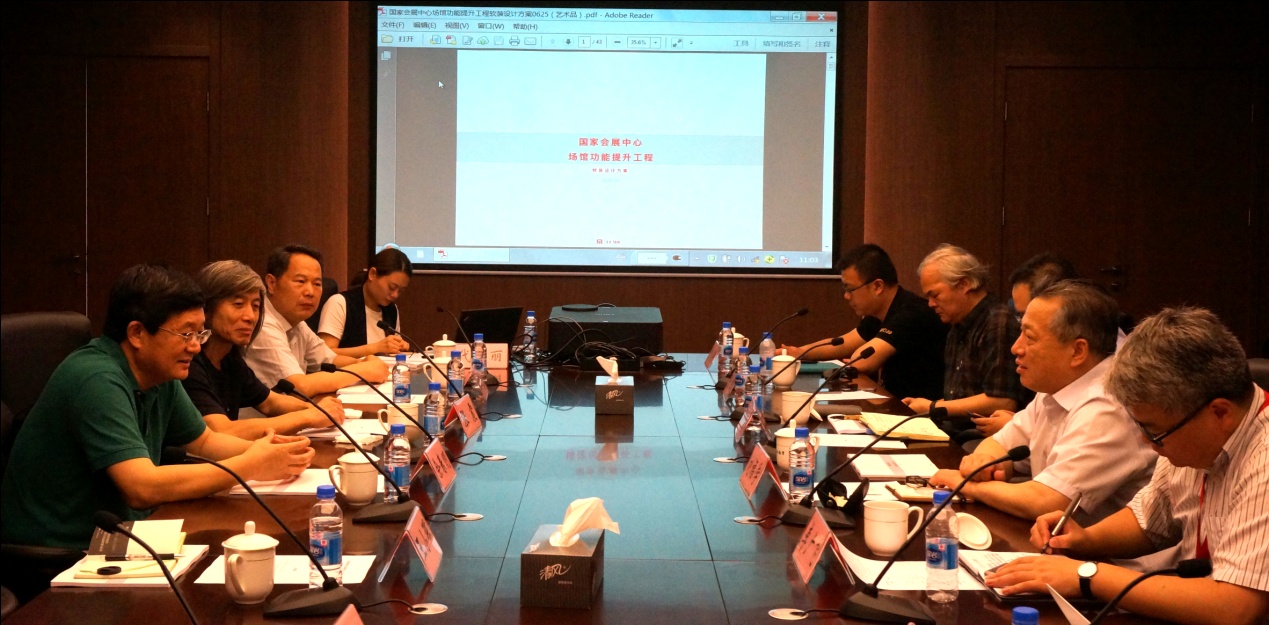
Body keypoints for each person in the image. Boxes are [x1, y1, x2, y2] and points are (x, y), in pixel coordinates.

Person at [986, 307, 1269, 625]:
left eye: (1154, 431)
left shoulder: (1263, 458)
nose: (1149, 443)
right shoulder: (1193, 429)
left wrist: (1086, 574)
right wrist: (1085, 539)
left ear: (1220, 412)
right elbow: (1151, 519)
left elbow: (1235, 607)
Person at [0, 265, 315, 550]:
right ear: (137, 333)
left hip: (125, 533)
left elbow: (204, 441)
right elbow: (142, 487)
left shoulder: (159, 371)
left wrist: (272, 451)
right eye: (186, 334)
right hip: (62, 551)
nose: (196, 346)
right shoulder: (96, 378)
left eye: (200, 333)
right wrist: (249, 464)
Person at [928, 280, 1155, 524]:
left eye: (1029, 337)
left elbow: (1049, 501)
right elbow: (1000, 443)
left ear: (1078, 351)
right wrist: (985, 463)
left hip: (1103, 548)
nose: (1016, 348)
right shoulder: (1056, 386)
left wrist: (967, 485)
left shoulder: (1108, 407)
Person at [183, 260, 346, 438]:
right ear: (207, 308)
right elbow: (222, 430)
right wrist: (308, 417)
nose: (250, 316)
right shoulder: (189, 361)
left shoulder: (230, 357)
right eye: (238, 304)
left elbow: (270, 402)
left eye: (255, 306)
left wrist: (315, 408)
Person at [781, 244, 946, 400]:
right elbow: (843, 344)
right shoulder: (877, 314)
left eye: (850, 289)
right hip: (896, 402)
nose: (846, 296)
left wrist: (855, 363)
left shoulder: (912, 313)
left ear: (877, 286)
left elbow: (862, 361)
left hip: (919, 410)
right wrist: (799, 352)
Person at [902, 244, 1032, 434]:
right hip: (954, 430)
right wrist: (928, 407)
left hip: (980, 436)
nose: (930, 304)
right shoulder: (957, 325)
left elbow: (1002, 401)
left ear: (964, 284)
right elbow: (959, 398)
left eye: (935, 295)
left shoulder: (998, 321)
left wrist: (933, 407)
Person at [244, 244, 389, 396]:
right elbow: (299, 386)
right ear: (272, 283)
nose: (310, 292)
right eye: (300, 281)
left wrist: (362, 363)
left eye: (317, 284)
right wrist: (362, 371)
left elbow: (329, 360)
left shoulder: (297, 323)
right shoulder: (261, 324)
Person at [318, 247, 412, 358]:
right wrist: (375, 348)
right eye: (391, 287)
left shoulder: (392, 310)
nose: (395, 295)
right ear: (372, 274)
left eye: (400, 290)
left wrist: (399, 347)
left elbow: (392, 353)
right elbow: (324, 354)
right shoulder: (340, 303)